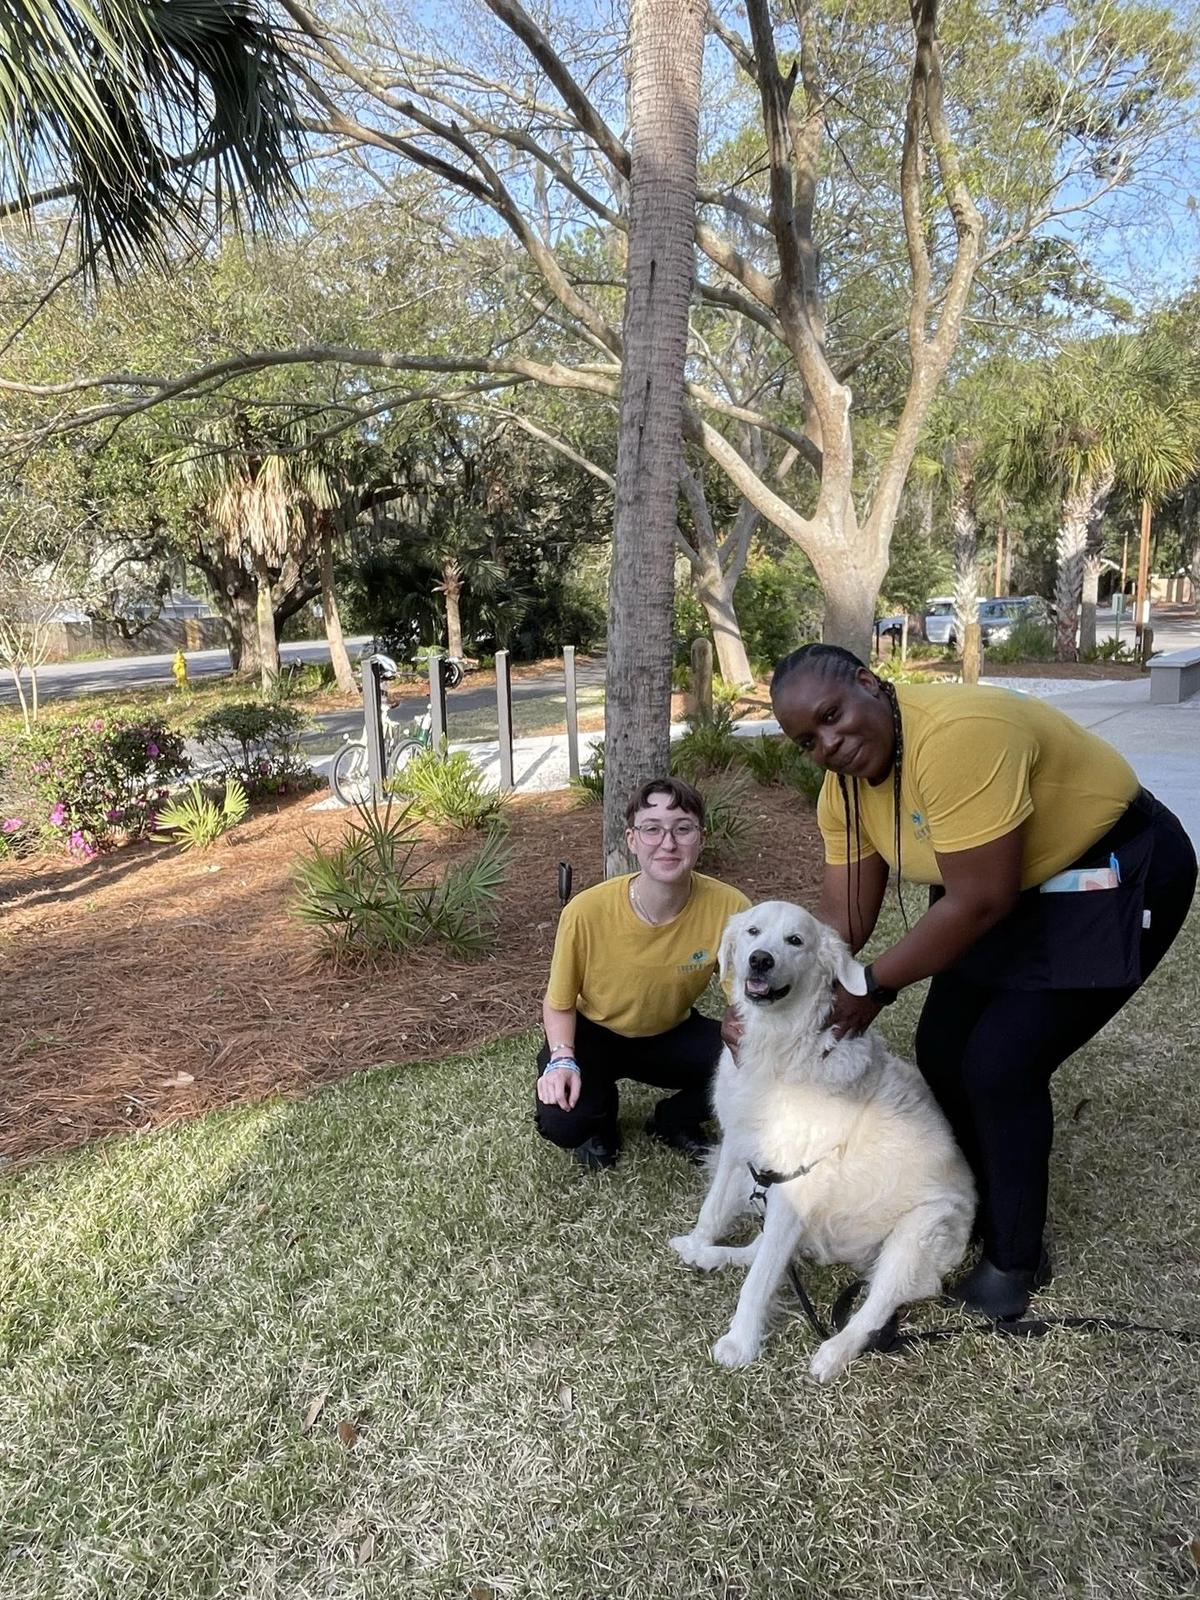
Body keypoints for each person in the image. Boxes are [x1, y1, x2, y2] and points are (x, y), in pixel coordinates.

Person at [757, 642, 1197, 1319]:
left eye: (832, 716)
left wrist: (872, 987)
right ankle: (983, 1197)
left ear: (870, 683)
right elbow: (845, 915)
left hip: (1111, 872)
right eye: (807, 740)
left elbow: (981, 900)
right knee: (942, 1049)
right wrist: (786, 995)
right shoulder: (844, 789)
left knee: (1000, 1064)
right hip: (1003, 889)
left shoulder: (960, 734)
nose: (828, 744)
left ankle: (1015, 1259)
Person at [536, 776, 750, 1169]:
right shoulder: (585, 912)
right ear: (632, 840)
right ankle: (599, 1118)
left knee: (751, 1065)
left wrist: (753, 1044)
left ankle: (672, 1118)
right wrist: (562, 1058)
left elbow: (743, 997)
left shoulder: (730, 906)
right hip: (594, 1032)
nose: (668, 843)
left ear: (701, 837)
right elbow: (559, 1003)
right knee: (564, 1122)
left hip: (670, 1031)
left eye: (682, 829)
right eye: (652, 829)